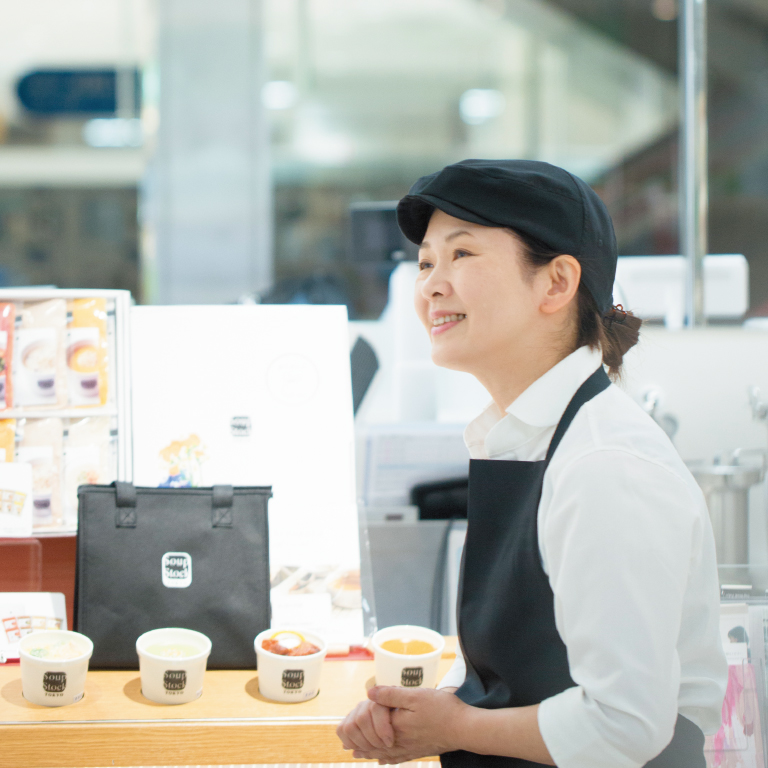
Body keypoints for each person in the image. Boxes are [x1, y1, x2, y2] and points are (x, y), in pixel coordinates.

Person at [337, 159, 727, 767]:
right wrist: (430, 715)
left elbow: (624, 723)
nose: (432, 285)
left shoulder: (605, 464)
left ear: (556, 283)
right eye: (426, 262)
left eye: (462, 255)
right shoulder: (526, 438)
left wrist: (458, 724)